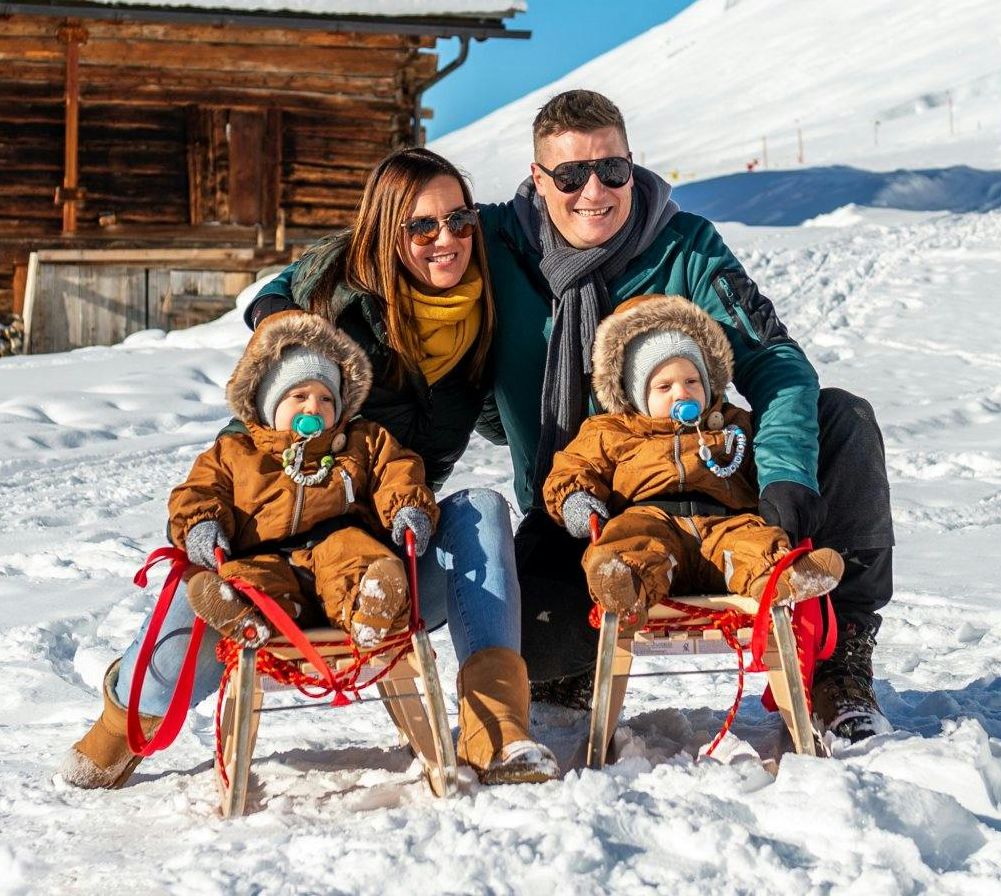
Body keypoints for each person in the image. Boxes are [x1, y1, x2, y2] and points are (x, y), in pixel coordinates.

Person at [63, 148, 559, 788]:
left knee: (483, 510)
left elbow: (509, 416)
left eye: (460, 221)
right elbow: (249, 416)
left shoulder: (478, 323)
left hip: (386, 562)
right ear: (385, 234)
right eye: (422, 226)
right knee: (195, 631)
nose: (449, 239)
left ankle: (497, 732)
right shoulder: (342, 307)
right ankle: (123, 715)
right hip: (272, 555)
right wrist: (209, 526)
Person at [482, 89, 895, 744]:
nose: (595, 190)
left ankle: (838, 664)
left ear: (632, 164)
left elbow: (778, 363)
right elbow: (368, 258)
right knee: (542, 649)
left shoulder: (686, 250)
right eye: (570, 175)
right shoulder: (494, 247)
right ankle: (573, 668)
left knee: (842, 418)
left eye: (612, 169)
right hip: (580, 514)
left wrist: (786, 475)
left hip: (712, 498)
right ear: (538, 179)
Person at [542, 294, 842, 614]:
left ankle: (781, 576)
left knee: (753, 541)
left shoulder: (731, 424)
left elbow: (763, 460)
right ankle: (624, 581)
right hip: (651, 517)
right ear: (635, 394)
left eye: (691, 380)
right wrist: (575, 498)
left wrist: (779, 486)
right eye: (664, 386)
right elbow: (575, 467)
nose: (682, 392)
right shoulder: (612, 431)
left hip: (725, 523)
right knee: (630, 539)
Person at [171, 310, 437, 648]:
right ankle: (252, 617)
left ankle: (371, 607)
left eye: (326, 398)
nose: (314, 407)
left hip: (337, 543)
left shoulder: (361, 441)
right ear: (269, 404)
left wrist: (407, 507)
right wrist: (202, 522)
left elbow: (397, 471)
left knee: (359, 558)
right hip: (265, 555)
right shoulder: (236, 451)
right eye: (299, 396)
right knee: (251, 579)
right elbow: (200, 489)